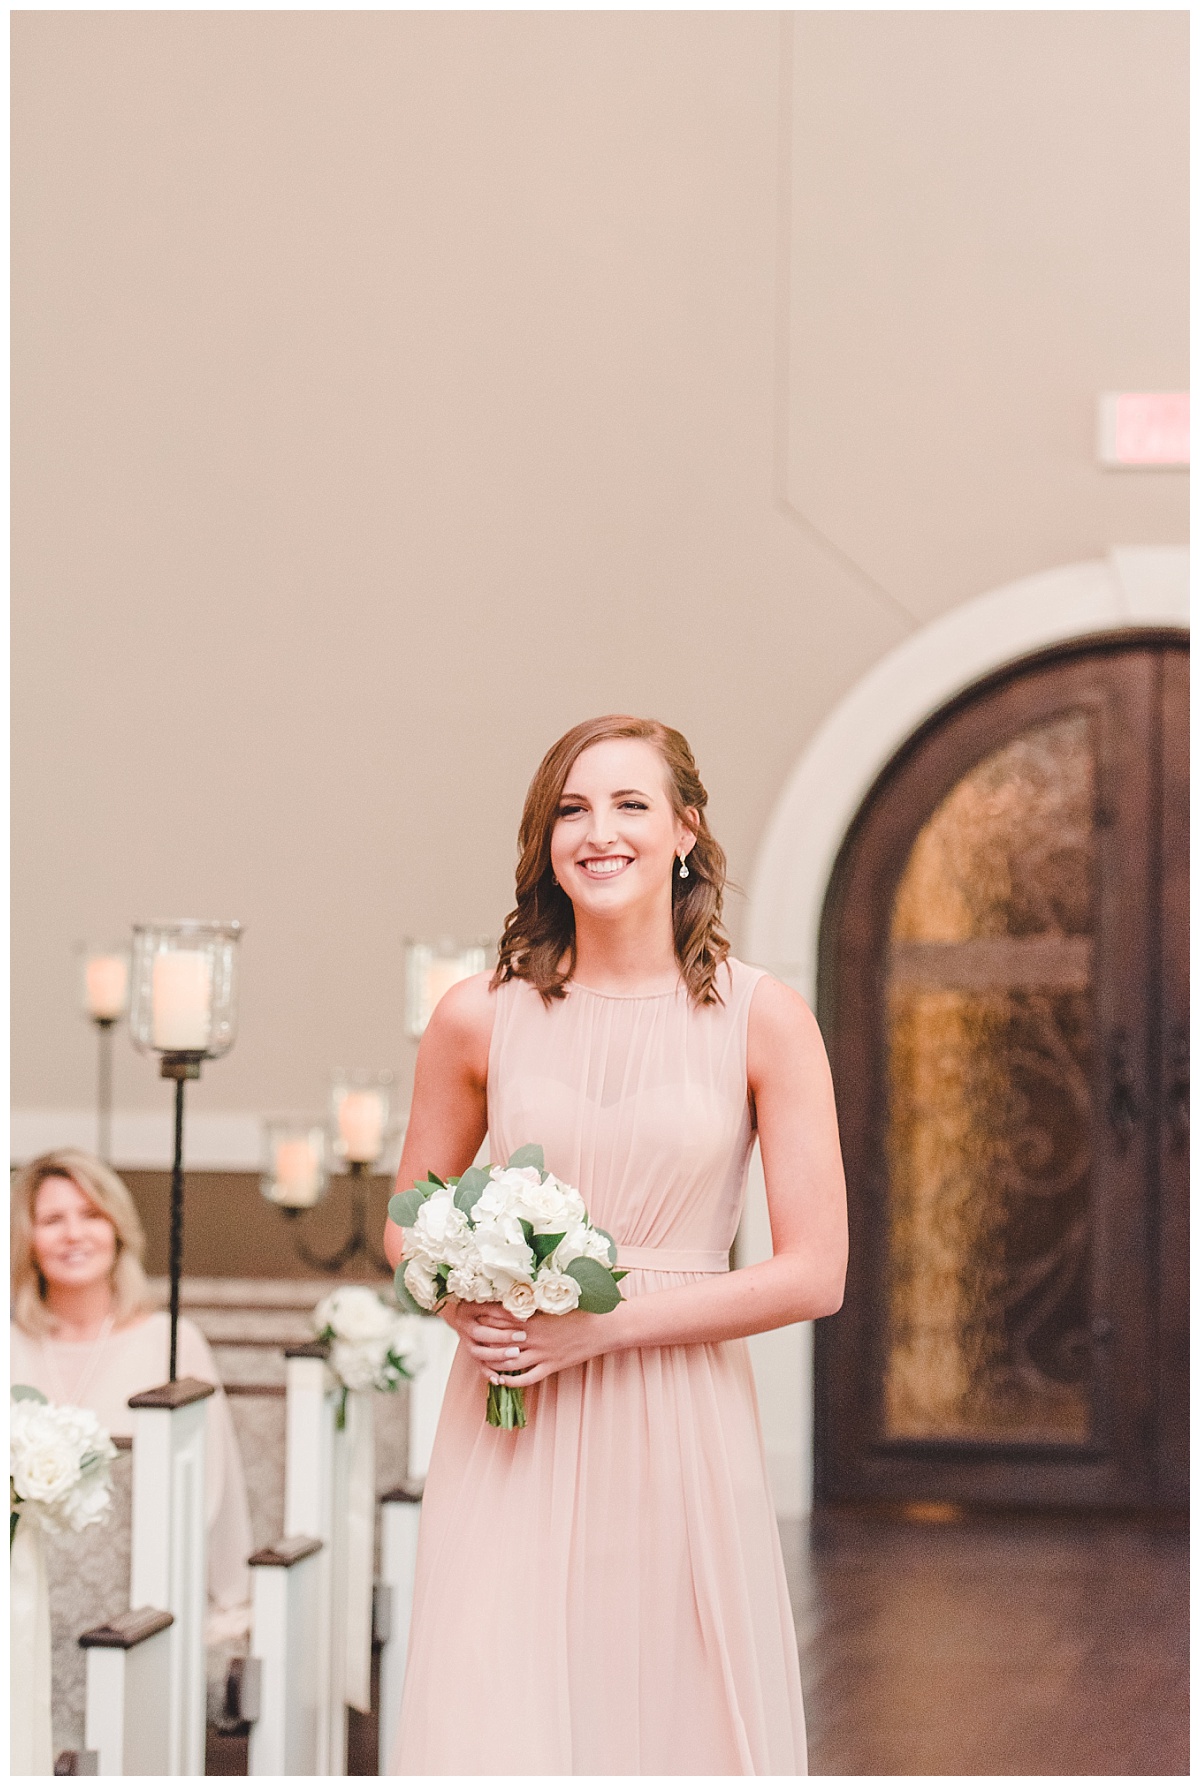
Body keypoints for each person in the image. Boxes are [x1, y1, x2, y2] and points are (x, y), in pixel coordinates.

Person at [385, 714, 848, 1775]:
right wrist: (471, 1298)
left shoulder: (764, 1018)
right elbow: (407, 1217)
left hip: (676, 1413)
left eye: (630, 804)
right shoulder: (476, 1015)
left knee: (667, 1715)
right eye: (571, 809)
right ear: (545, 841)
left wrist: (602, 1329)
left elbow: (815, 1271)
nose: (599, 831)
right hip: (513, 1416)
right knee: (493, 1702)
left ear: (685, 830)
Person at [10, 1147, 255, 1637]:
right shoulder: (9, 1345)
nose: (74, 1234)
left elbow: (212, 1489)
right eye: (53, 1219)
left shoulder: (171, 1341)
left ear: (117, 1230)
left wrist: (223, 1602)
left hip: (143, 1605)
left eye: (91, 1215)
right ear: (26, 1239)